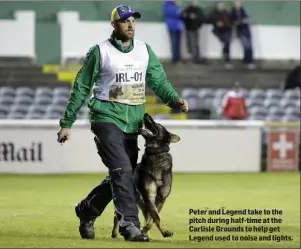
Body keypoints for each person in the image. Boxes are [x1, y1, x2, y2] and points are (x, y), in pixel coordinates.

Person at [57, 5, 188, 242]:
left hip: (134, 124)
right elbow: (81, 88)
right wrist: (67, 123)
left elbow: (159, 81)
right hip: (105, 118)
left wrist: (174, 99)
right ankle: (130, 226)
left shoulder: (144, 50)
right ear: (114, 25)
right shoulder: (99, 52)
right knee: (123, 171)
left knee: (122, 174)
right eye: (124, 21)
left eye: (133, 21)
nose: (130, 25)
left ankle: (87, 210)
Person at [230, 0, 255, 69]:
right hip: (241, 31)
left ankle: (248, 61)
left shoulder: (243, 11)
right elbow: (233, 22)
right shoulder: (233, 13)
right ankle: (248, 61)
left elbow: (249, 19)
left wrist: (245, 21)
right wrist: (241, 22)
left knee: (249, 46)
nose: (237, 5)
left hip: (247, 30)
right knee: (247, 46)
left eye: (238, 3)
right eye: (235, 4)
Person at [209, 1, 233, 69]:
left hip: (228, 30)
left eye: (222, 5)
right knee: (226, 44)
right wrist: (216, 22)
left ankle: (226, 59)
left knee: (227, 44)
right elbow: (210, 19)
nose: (220, 7)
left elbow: (230, 20)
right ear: (216, 6)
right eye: (219, 5)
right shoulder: (214, 13)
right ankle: (226, 60)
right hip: (220, 31)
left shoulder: (226, 12)